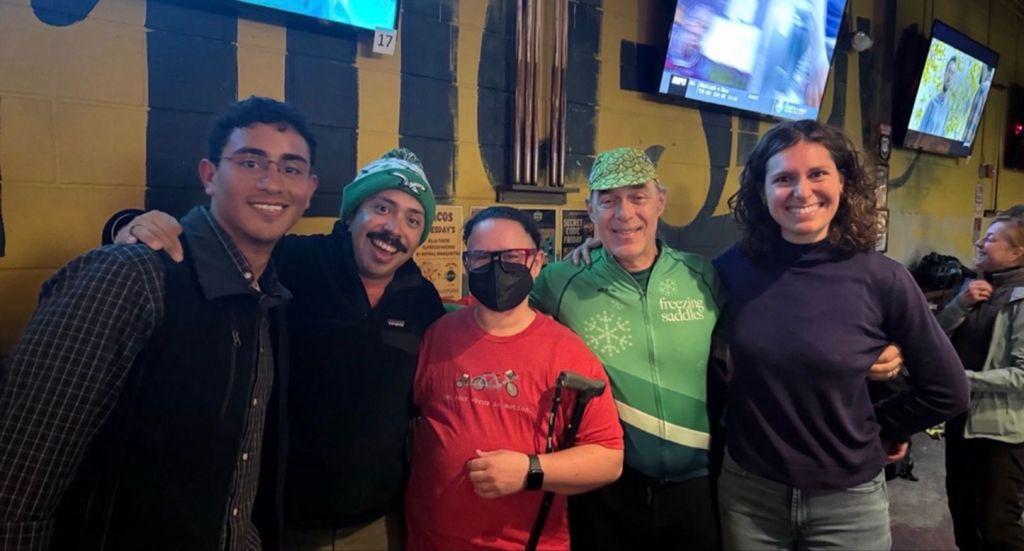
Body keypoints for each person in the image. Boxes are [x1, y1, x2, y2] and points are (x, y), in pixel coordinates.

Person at [0, 96, 320, 550]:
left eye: (290, 168)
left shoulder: (269, 297)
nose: (272, 182)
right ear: (209, 175)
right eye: (250, 162)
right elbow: (17, 484)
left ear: (309, 189)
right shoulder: (131, 275)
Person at [106, 147, 446, 550]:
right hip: (276, 519)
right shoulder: (294, 260)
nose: (394, 228)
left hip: (376, 521)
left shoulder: (422, 300)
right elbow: (208, 245)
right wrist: (133, 226)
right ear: (352, 214)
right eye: (382, 208)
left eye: (413, 219)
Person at [713, 119, 969, 549]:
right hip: (750, 494)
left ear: (843, 182)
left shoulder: (883, 279)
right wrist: (597, 253)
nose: (802, 191)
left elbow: (948, 390)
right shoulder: (730, 270)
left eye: (817, 174)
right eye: (783, 178)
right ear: (761, 191)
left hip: (848, 504)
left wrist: (879, 426)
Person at [532, 147, 725, 550]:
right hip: (605, 488)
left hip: (695, 486)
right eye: (608, 201)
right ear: (590, 210)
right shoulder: (560, 280)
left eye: (638, 197)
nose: (624, 214)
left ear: (660, 202)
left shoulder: (701, 275)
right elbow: (502, 324)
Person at [405, 206, 623, 550]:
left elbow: (608, 458)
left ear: (536, 262)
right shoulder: (438, 335)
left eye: (511, 256)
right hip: (429, 541)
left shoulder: (568, 353)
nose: (497, 268)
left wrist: (530, 470)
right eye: (482, 256)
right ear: (467, 263)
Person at [938, 216, 1024, 550]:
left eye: (990, 238)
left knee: (997, 525)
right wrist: (960, 304)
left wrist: (962, 379)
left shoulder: (1019, 300)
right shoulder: (973, 288)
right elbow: (934, 338)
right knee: (962, 513)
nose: (979, 243)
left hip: (1002, 432)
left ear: (1017, 253)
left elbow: (1021, 375)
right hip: (961, 419)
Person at [921, 56, 958, 138]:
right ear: (944, 73)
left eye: (952, 73)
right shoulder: (932, 103)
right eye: (948, 71)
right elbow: (920, 131)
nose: (949, 76)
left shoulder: (947, 109)